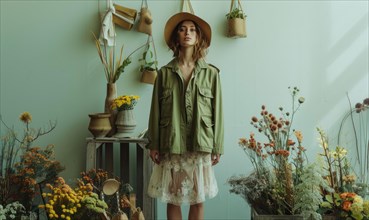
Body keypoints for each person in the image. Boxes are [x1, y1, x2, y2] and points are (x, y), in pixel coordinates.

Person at [146, 11, 224, 220]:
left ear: (198, 37)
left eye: (191, 30)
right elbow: (155, 112)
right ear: (176, 38)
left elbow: (219, 112)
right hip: (173, 142)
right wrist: (153, 143)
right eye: (182, 29)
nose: (187, 33)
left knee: (198, 199)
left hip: (201, 142)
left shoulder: (211, 74)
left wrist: (217, 146)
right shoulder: (163, 73)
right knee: (174, 198)